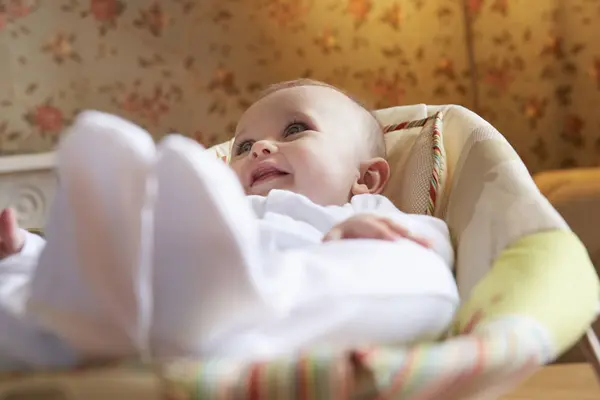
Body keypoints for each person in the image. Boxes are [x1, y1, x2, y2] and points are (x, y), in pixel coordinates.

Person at [0, 79, 458, 369]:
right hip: (177, 284)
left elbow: (433, 246)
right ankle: (85, 320)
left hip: (282, 296)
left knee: (421, 278)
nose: (259, 149)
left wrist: (356, 241)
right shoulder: (209, 209)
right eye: (243, 146)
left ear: (366, 178)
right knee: (34, 287)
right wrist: (24, 252)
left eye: (295, 130)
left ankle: (195, 320)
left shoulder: (362, 211)